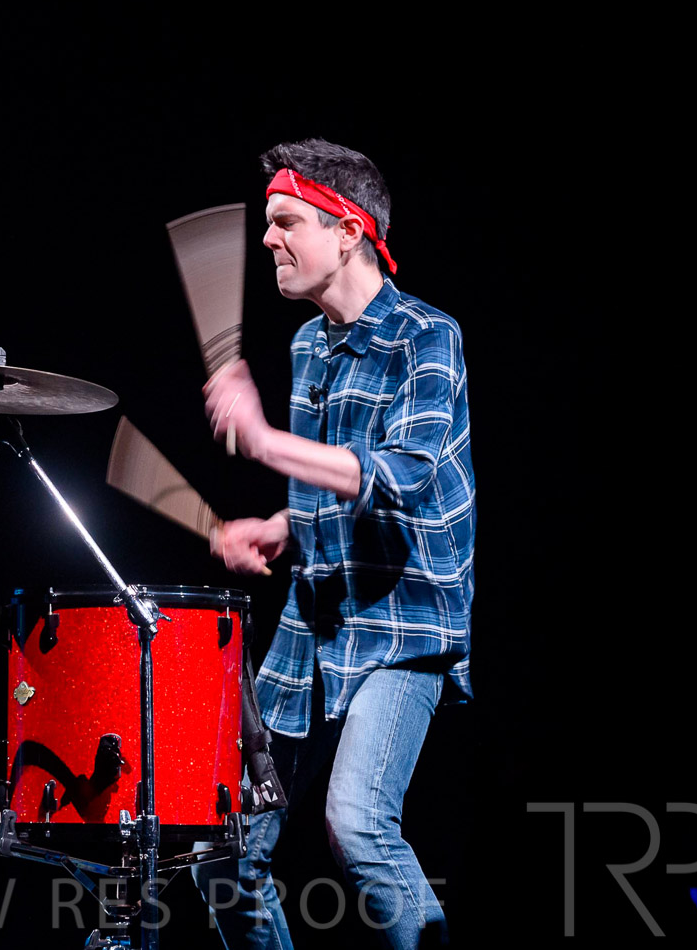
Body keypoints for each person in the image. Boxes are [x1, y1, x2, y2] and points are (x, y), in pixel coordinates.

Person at [195, 138, 474, 949]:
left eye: (285, 221)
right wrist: (281, 526)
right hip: (314, 617)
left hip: (402, 622)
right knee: (223, 847)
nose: (266, 238)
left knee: (356, 824)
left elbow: (402, 473)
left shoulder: (425, 335)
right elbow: (332, 482)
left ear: (348, 231)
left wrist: (259, 439)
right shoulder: (307, 344)